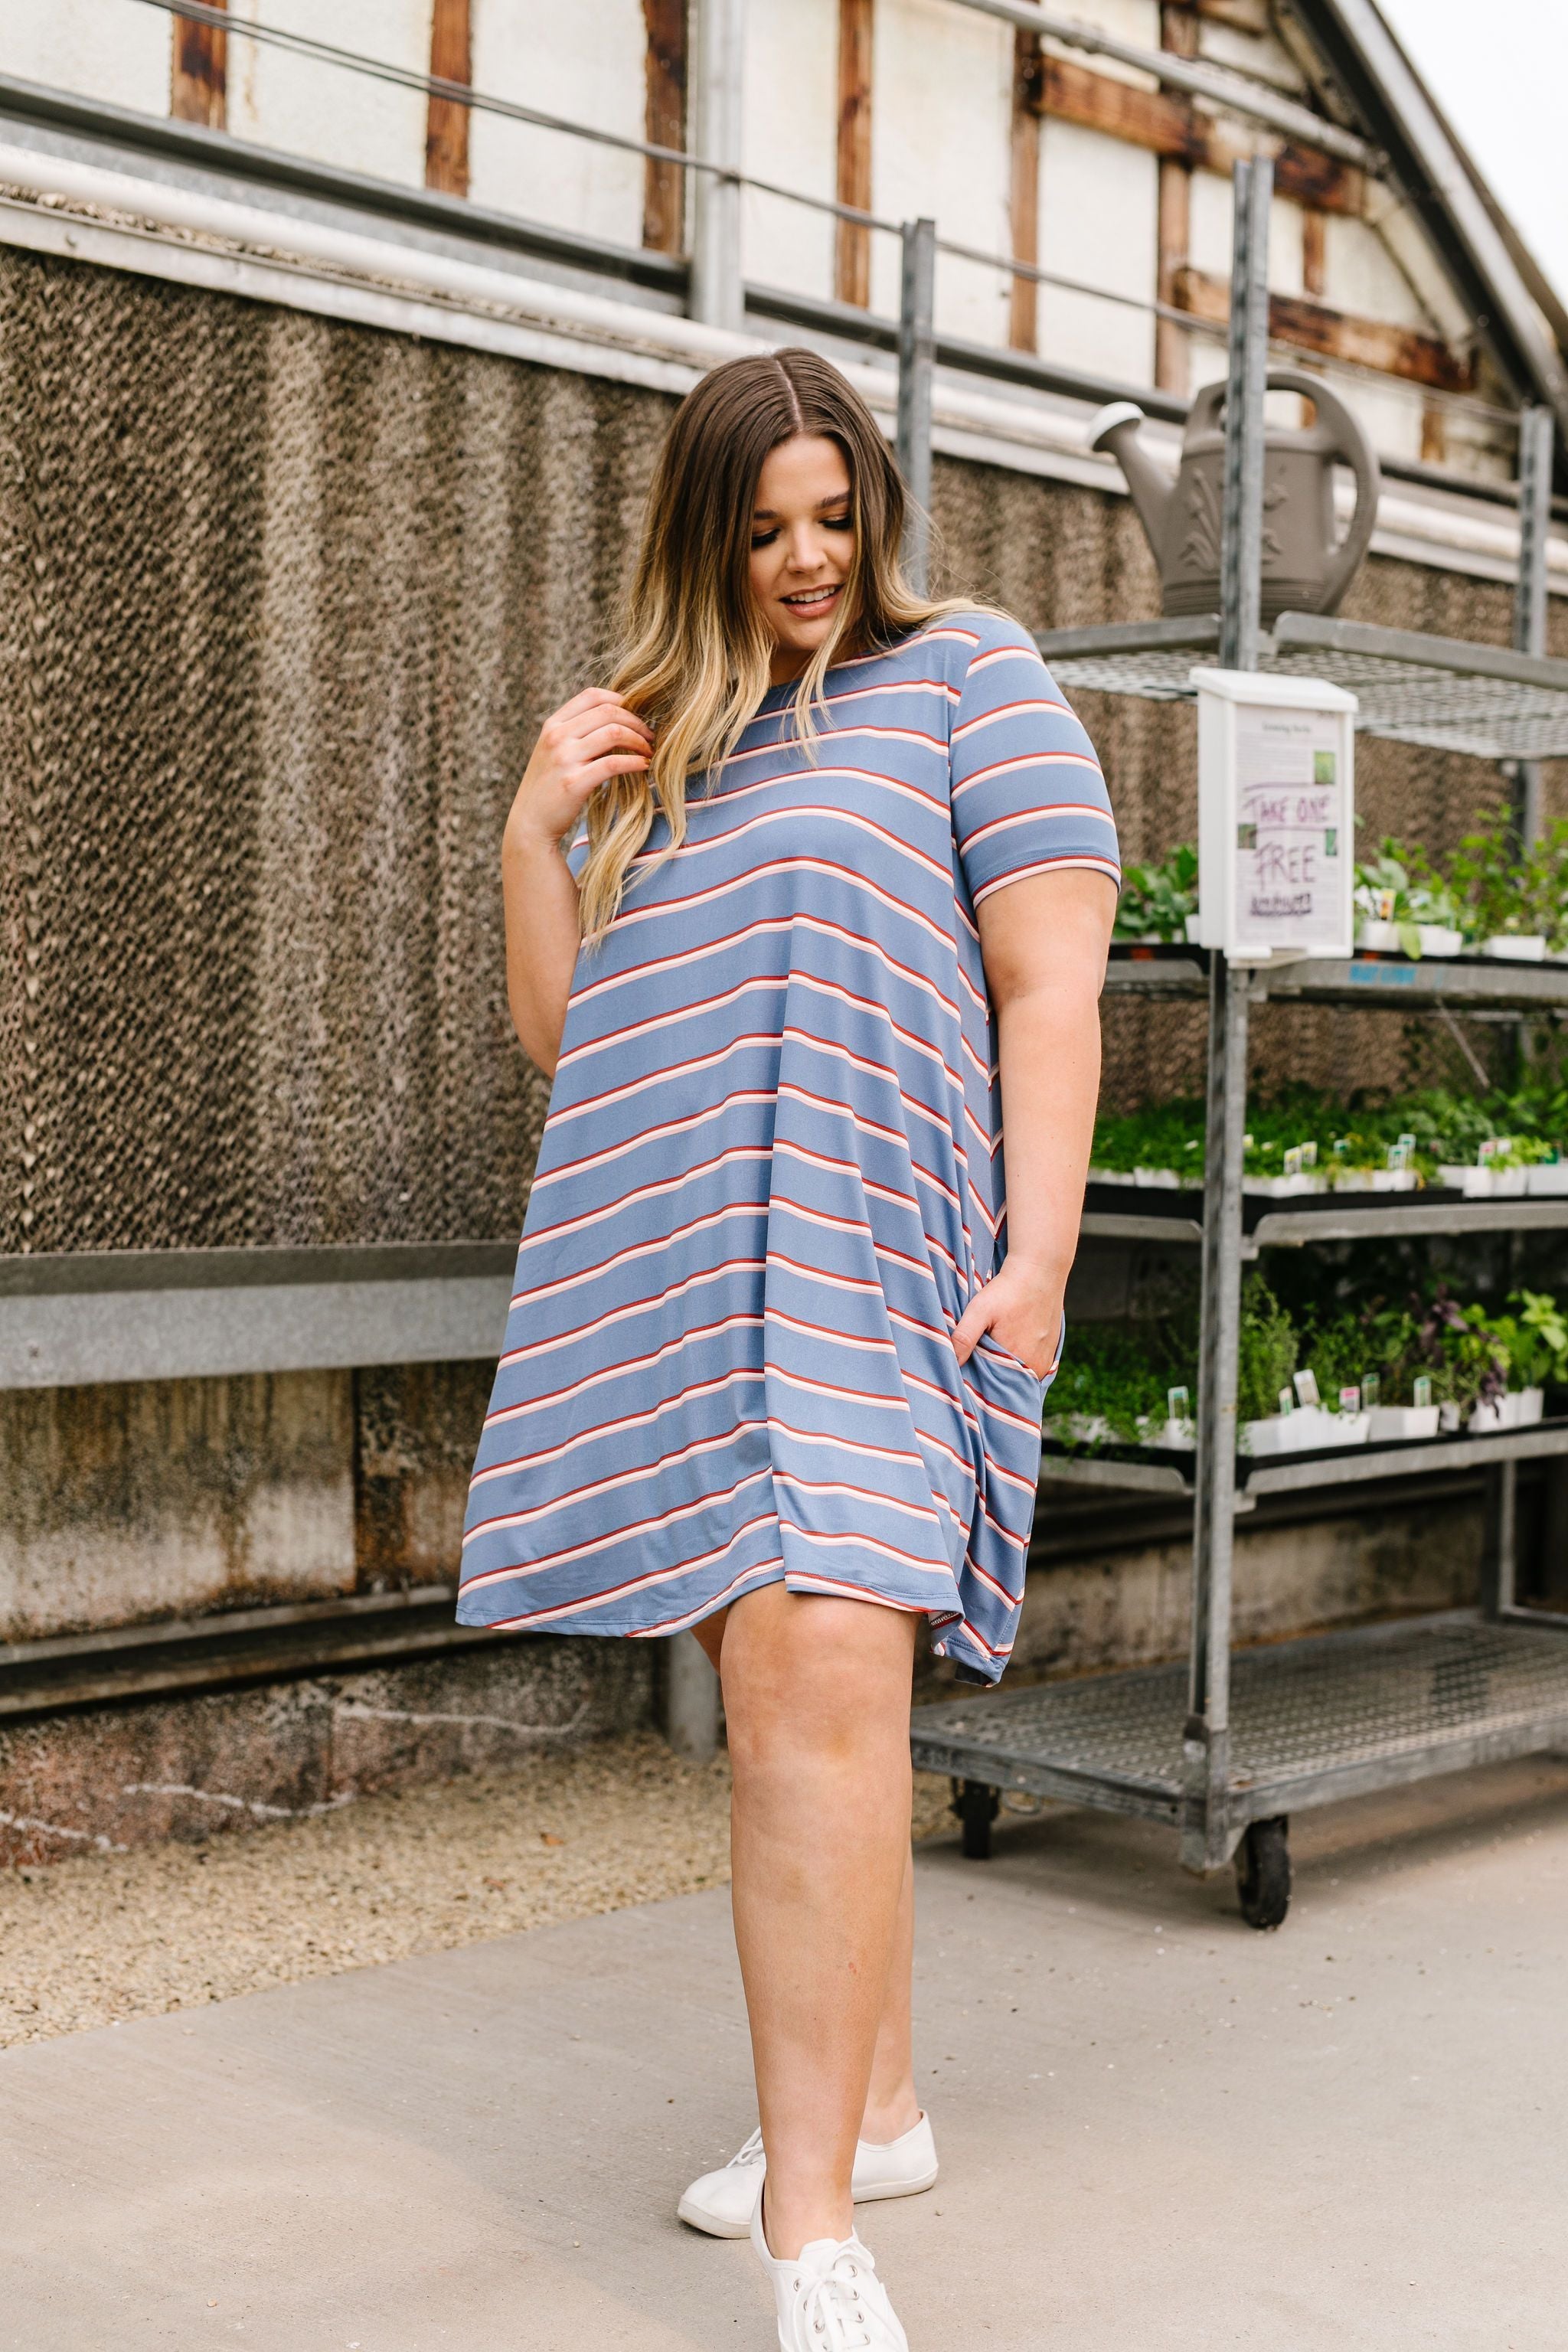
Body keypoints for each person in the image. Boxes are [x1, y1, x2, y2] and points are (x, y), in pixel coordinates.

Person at [459, 347, 1118, 2350]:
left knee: (817, 1690)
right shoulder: (677, 741)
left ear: (881, 511)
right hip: (695, 1280)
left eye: (835, 517)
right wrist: (532, 840)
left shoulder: (972, 681)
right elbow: (578, 1042)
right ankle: (877, 2108)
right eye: (762, 530)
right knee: (818, 1710)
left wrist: (1047, 1251)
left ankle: (813, 2229)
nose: (807, 558)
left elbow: (1054, 989)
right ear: (706, 539)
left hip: (883, 1262)